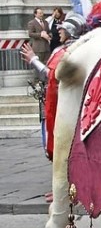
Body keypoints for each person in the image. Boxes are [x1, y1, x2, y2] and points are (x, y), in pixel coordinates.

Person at [21, 12, 87, 202]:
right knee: (59, 149)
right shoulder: (66, 49)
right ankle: (62, 188)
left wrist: (34, 60)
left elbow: (54, 75)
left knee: (67, 149)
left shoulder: (71, 52)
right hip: (56, 104)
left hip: (65, 107)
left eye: (63, 28)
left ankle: (69, 190)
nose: (59, 29)